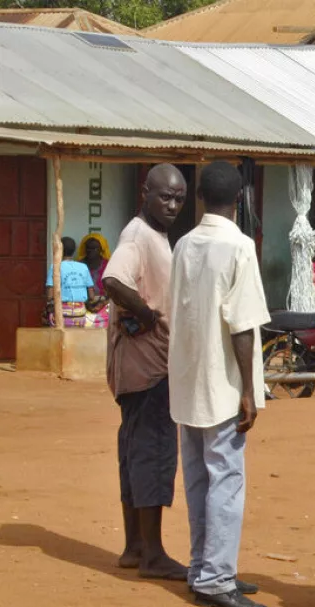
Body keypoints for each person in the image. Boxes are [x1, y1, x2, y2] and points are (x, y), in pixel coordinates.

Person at [168, 161, 272, 607]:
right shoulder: (239, 246)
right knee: (226, 477)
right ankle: (215, 577)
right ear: (241, 198)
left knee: (198, 478)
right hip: (224, 382)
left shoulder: (184, 244)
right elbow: (243, 324)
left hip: (188, 378)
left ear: (198, 198)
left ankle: (203, 566)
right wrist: (249, 390)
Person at [104, 163, 189, 580]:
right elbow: (114, 280)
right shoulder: (138, 236)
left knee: (135, 452)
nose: (171, 205)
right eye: (165, 197)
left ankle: (135, 547)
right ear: (145, 193)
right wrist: (147, 314)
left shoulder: (154, 236)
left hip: (140, 369)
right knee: (153, 454)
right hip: (147, 369)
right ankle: (153, 554)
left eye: (178, 199)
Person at [44, 237, 100, 327]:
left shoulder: (55, 267)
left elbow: (50, 296)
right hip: (80, 314)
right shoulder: (83, 267)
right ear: (74, 250)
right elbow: (92, 296)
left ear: (59, 249)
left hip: (61, 315)